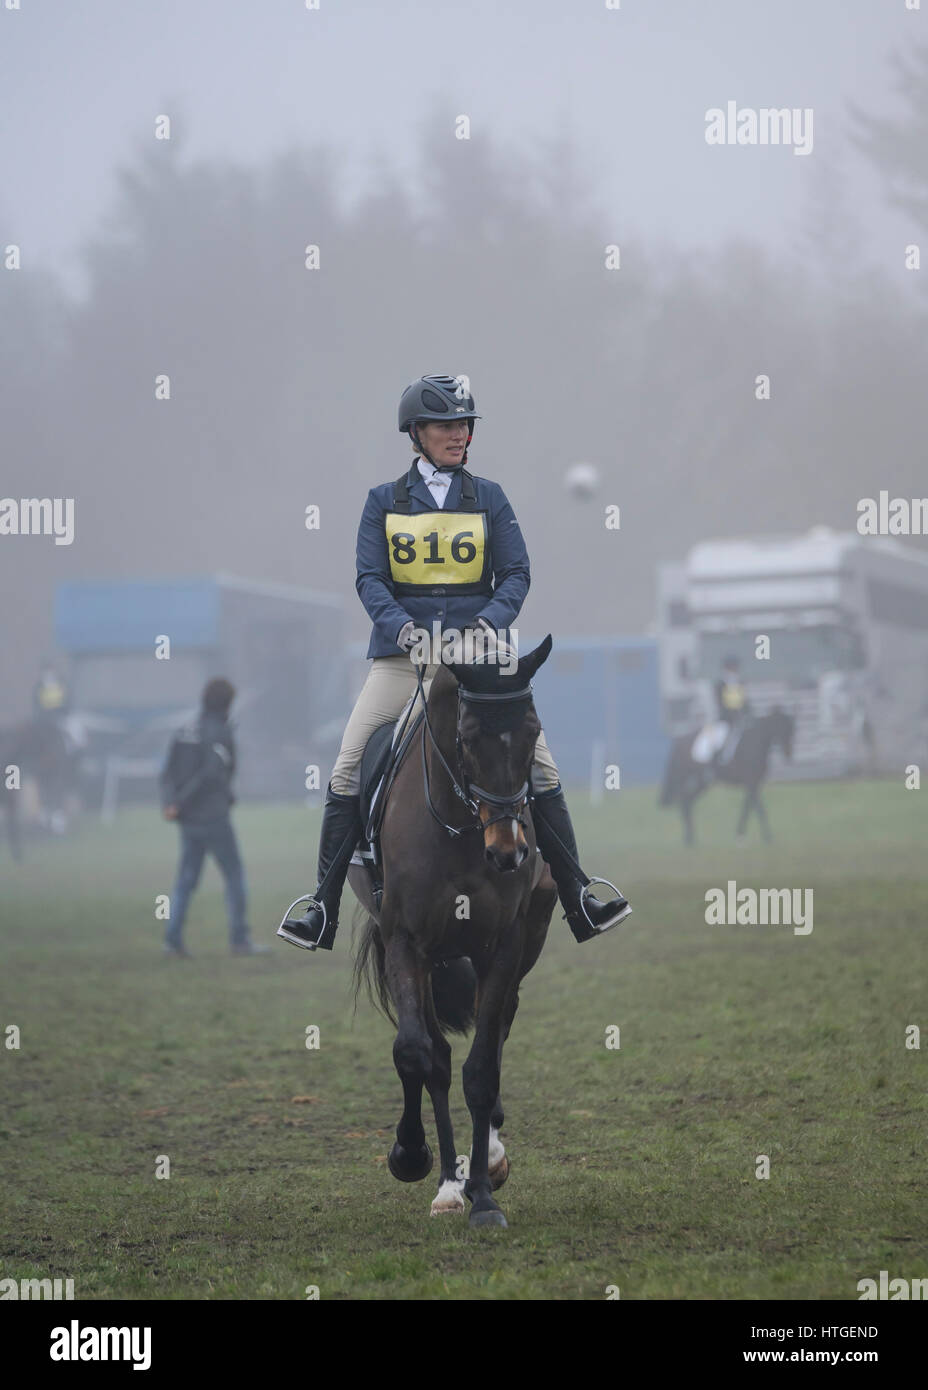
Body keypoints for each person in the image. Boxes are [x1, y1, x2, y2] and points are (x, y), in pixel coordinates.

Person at [277, 373, 631, 953]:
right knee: (345, 770)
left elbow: (517, 573)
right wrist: (405, 629)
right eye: (446, 426)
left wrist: (489, 623)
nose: (459, 435)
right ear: (415, 433)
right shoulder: (381, 503)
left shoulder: (489, 497)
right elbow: (369, 579)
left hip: (481, 657)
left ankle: (579, 896)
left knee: (541, 769)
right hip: (404, 659)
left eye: (465, 425)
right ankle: (323, 906)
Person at [159, 677, 268, 957]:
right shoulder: (221, 732)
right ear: (228, 703)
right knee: (234, 875)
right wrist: (182, 803)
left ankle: (172, 940)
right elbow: (211, 775)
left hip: (188, 820)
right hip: (212, 817)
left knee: (185, 879)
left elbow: (166, 772)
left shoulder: (184, 729)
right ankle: (240, 940)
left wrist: (171, 803)